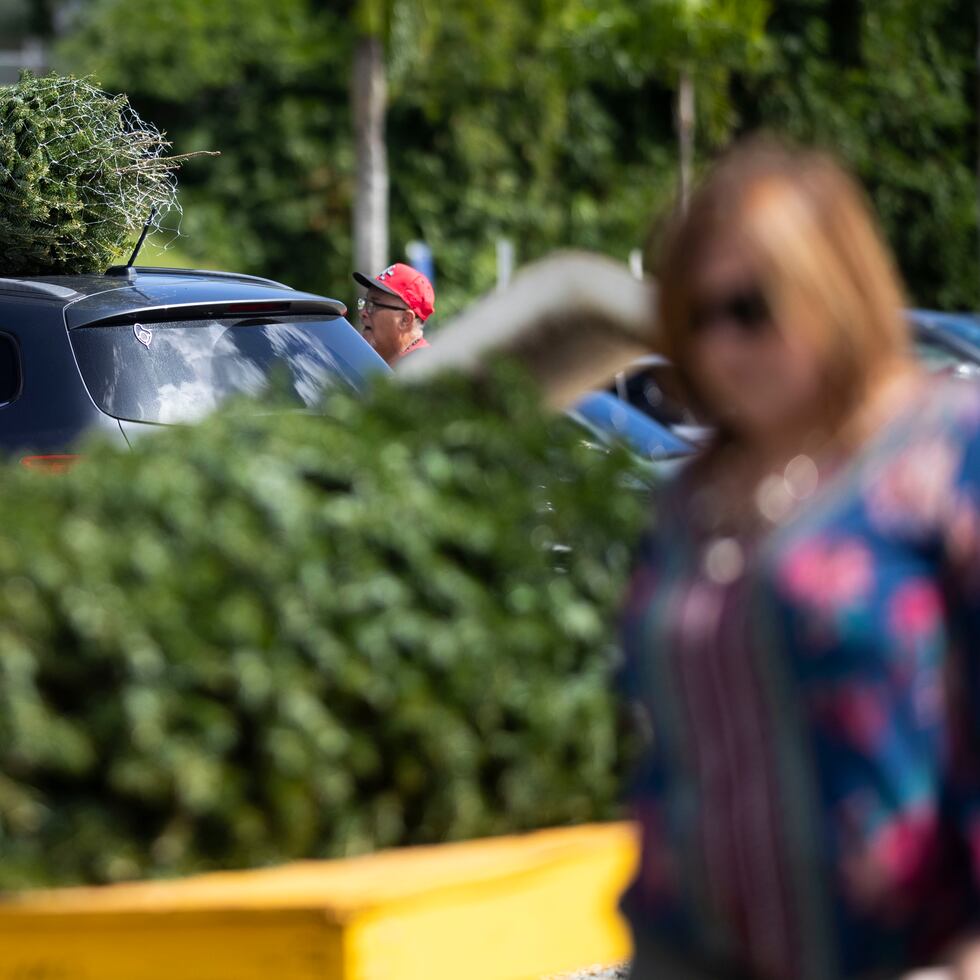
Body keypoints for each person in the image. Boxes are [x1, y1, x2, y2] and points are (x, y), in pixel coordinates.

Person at [619, 139, 980, 980]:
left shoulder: (942, 459)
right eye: (693, 317)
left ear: (833, 288)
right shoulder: (689, 496)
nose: (719, 347)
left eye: (749, 309)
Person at [352, 262, 434, 365]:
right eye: (365, 303)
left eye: (373, 305)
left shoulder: (423, 370)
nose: (363, 313)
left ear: (405, 320)